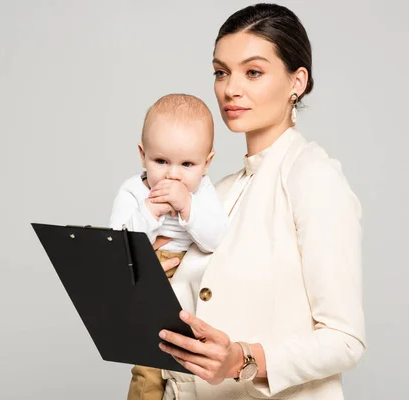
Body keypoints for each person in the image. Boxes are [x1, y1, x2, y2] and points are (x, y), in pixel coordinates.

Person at [152, 4, 366, 399]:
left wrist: (242, 359)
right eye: (221, 72)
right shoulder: (214, 194)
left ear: (296, 81)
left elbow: (345, 339)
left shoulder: (315, 179)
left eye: (253, 72)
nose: (231, 88)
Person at [109, 93, 228, 400]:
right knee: (148, 366)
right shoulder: (134, 191)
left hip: (192, 283)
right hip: (150, 273)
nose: (173, 174)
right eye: (160, 161)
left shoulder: (203, 192)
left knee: (188, 364)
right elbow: (119, 244)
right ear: (142, 155)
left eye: (187, 164)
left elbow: (216, 239)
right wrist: (150, 212)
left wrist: (187, 206)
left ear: (207, 163)